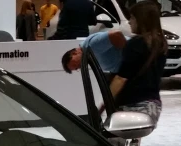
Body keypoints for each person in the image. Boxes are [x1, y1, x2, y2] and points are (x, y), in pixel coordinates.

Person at [109, 1, 167, 130]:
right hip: (153, 105)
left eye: (132, 18)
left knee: (115, 145)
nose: (129, 22)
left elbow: (121, 78)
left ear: (141, 20)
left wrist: (106, 101)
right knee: (133, 143)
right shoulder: (161, 43)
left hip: (131, 103)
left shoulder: (135, 44)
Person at [62, 30, 128, 75]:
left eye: (74, 64)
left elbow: (116, 34)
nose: (78, 67)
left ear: (74, 53)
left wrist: (130, 55)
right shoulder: (90, 57)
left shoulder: (91, 46)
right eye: (76, 68)